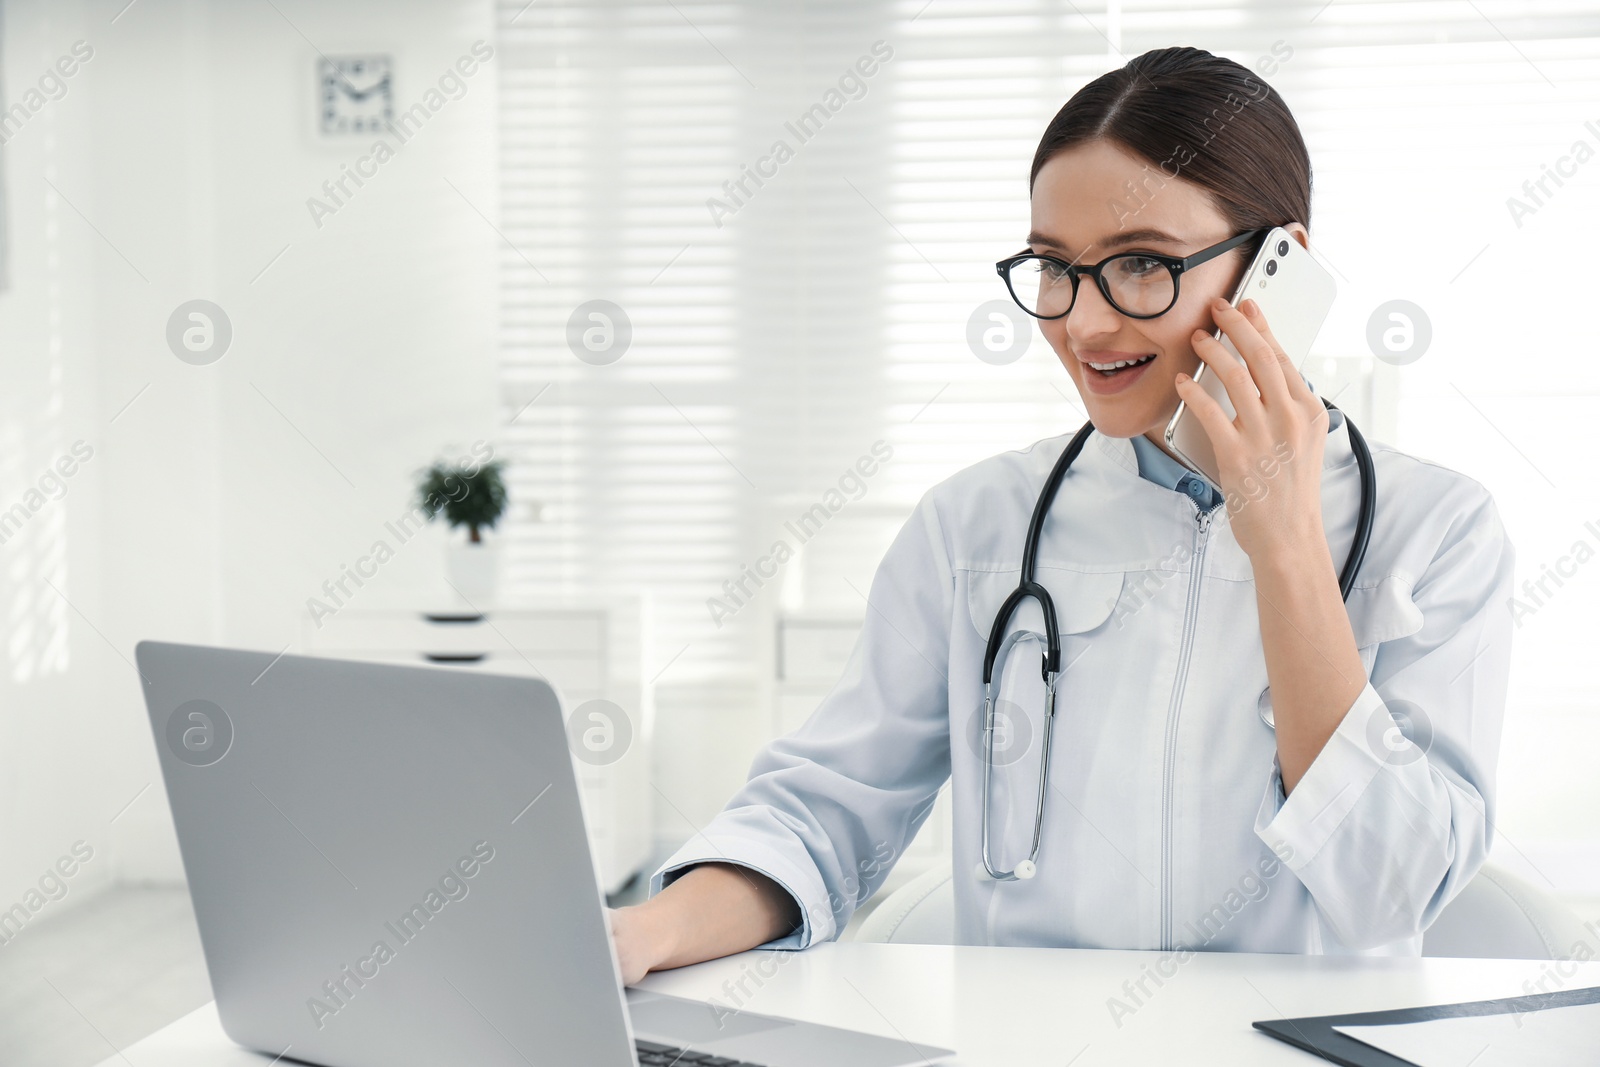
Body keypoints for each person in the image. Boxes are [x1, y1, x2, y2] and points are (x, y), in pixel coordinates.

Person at [608, 45, 1514, 984]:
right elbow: (824, 815)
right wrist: (639, 935)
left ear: (1277, 272)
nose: (1083, 324)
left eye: (1141, 265)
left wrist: (1283, 544)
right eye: (1054, 267)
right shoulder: (974, 527)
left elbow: (1394, 885)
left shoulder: (1437, 532)